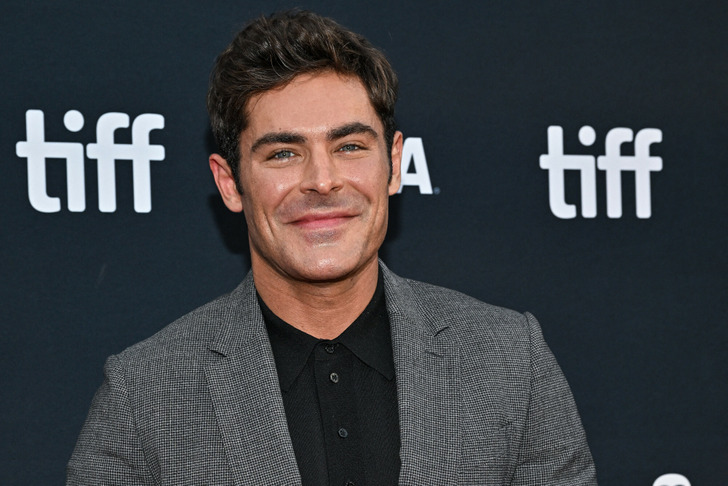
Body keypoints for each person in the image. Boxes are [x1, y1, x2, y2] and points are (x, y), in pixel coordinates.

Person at [67, 10, 597, 485]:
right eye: (282, 154)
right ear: (230, 183)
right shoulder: (143, 399)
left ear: (394, 163)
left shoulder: (510, 361)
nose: (322, 181)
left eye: (348, 146)